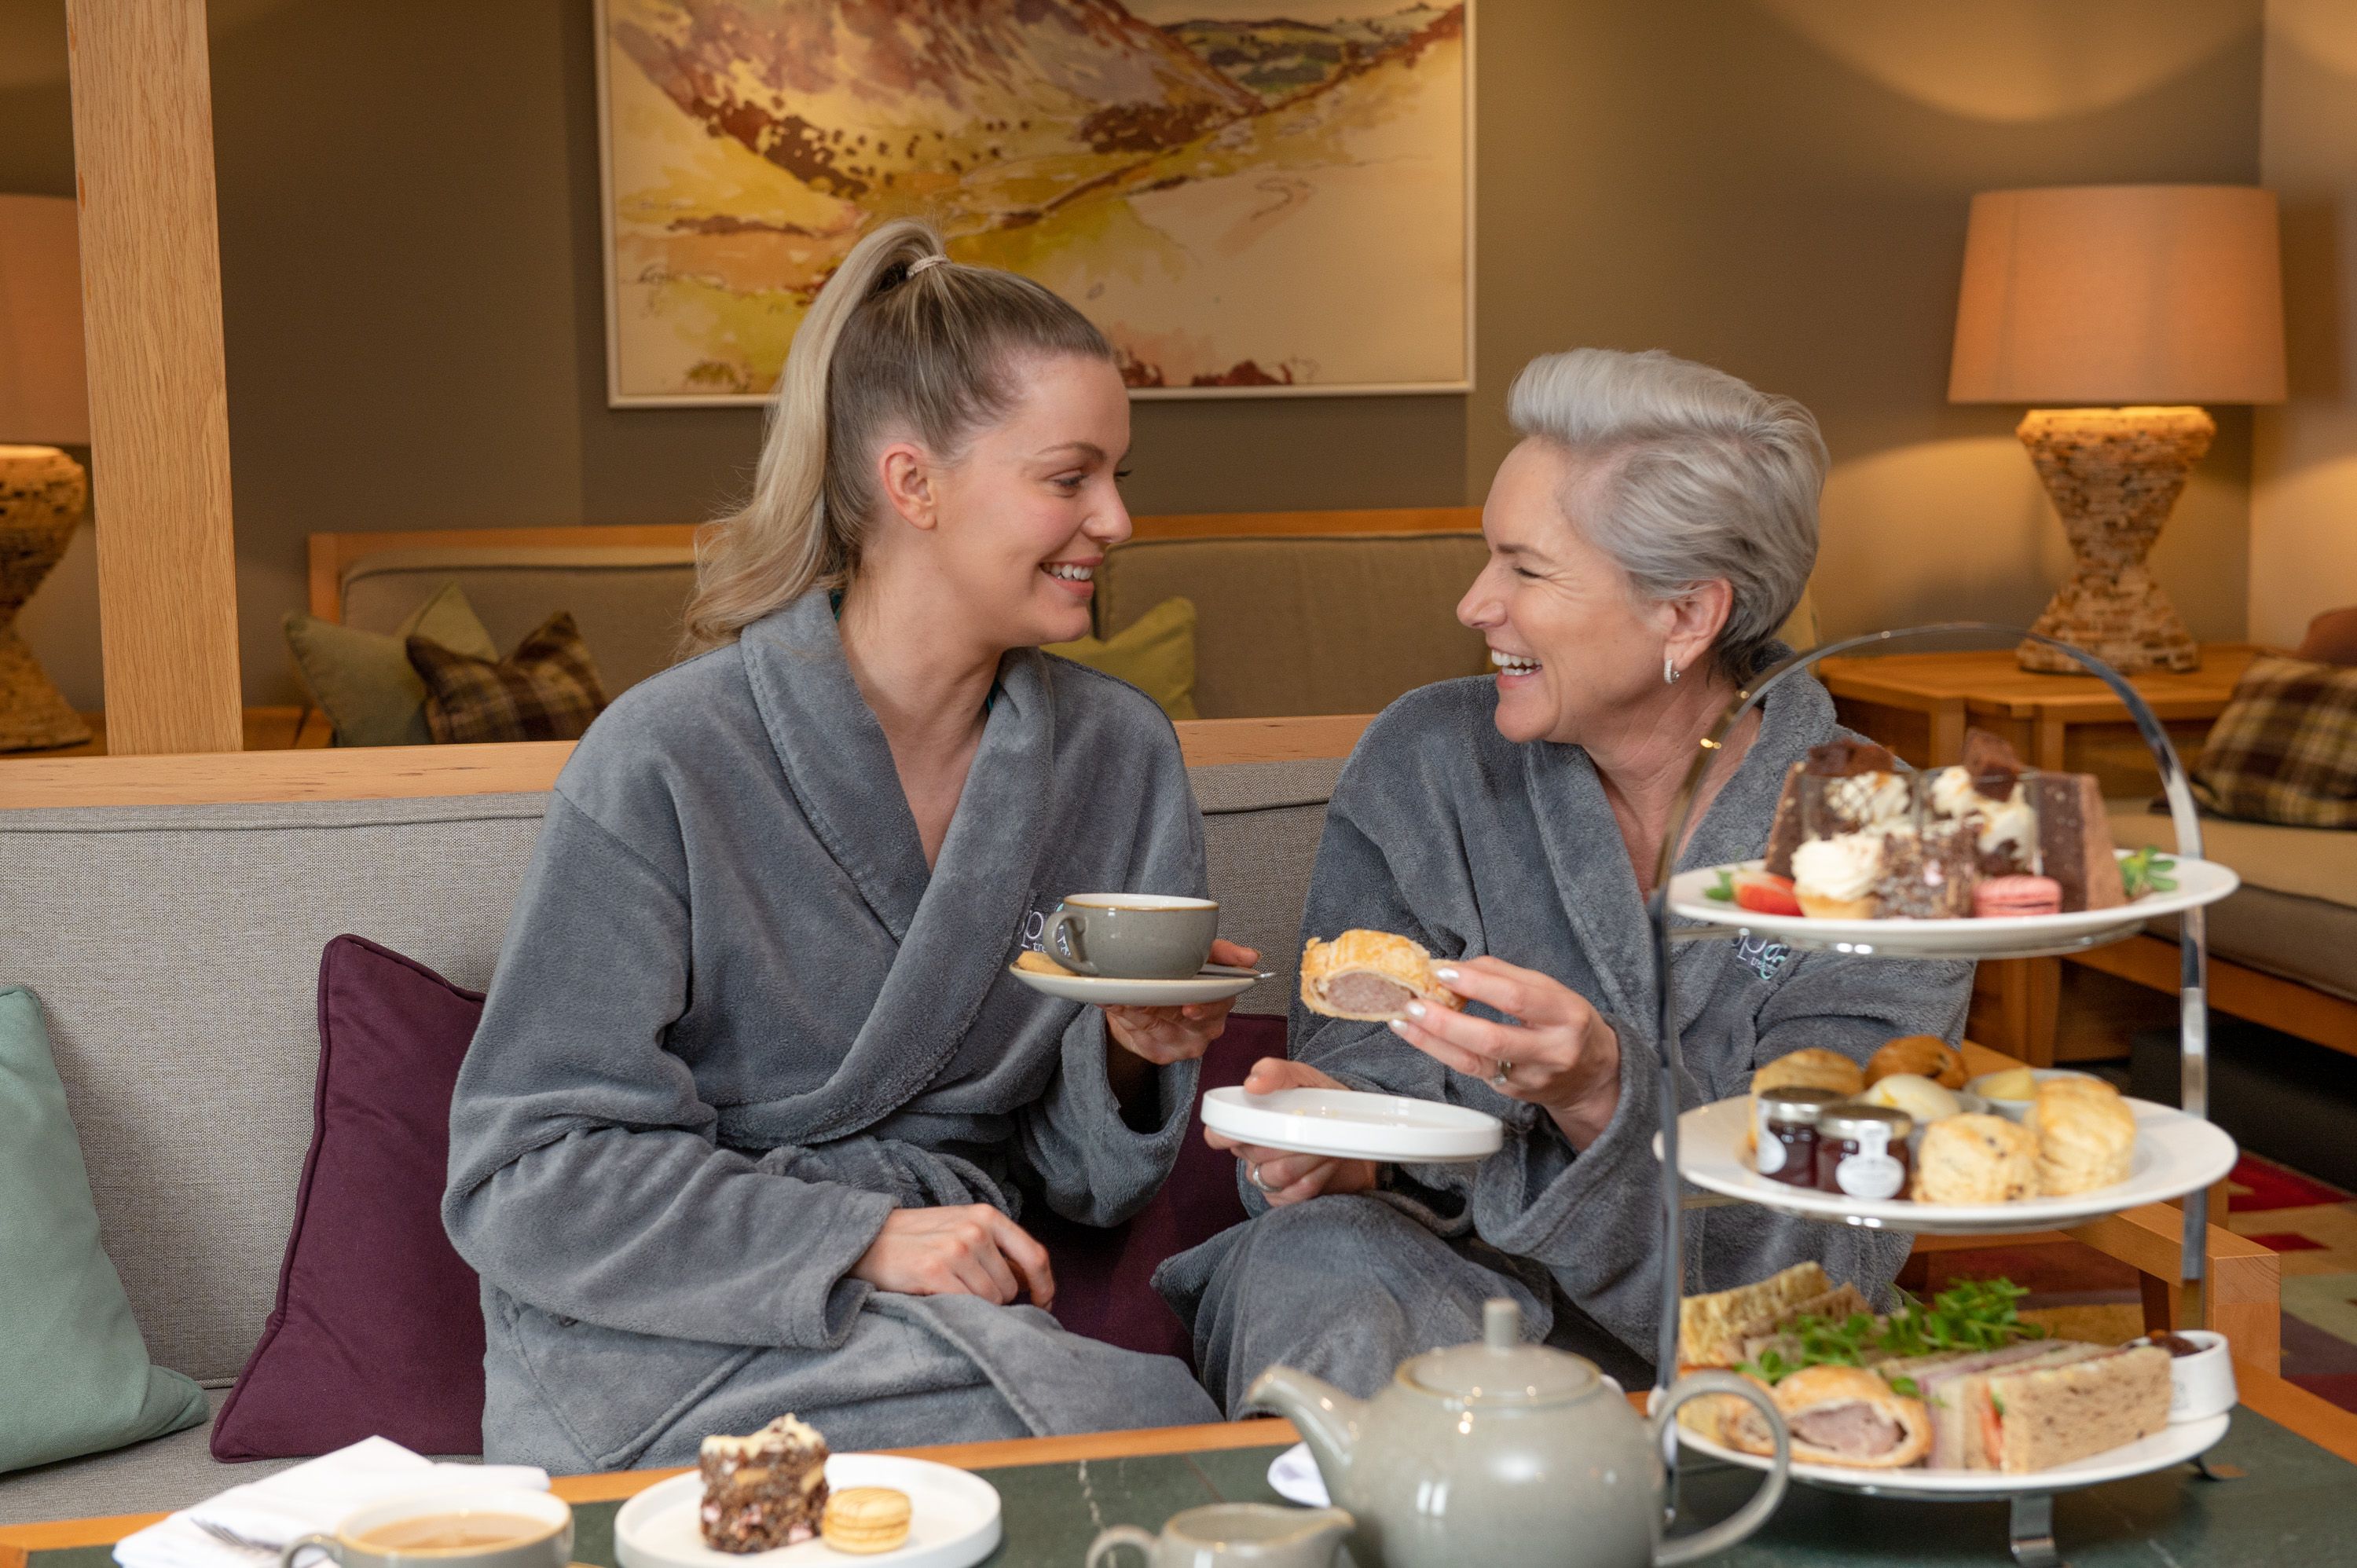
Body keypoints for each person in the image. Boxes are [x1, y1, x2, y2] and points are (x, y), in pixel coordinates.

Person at [443, 218, 1247, 1471]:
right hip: (666, 1325)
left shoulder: (1118, 756)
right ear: (912, 484)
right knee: (1149, 1448)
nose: (1116, 521)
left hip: (936, 1309)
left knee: (1144, 1438)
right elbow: (527, 1174)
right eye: (1070, 477)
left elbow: (1084, 1185)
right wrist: (857, 1237)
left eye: (1120, 477)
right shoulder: (666, 755)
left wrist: (1129, 1057)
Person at [1156, 347, 1973, 1409]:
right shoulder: (1429, 762)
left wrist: (1602, 1093)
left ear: (1686, 614)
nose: (1474, 604)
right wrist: (1344, 1138)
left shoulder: (1885, 832)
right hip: (1431, 1289)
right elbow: (1366, 1060)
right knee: (1313, 1270)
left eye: (1524, 570)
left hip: (1724, 1333)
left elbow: (1827, 1237)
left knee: (1797, 1381)